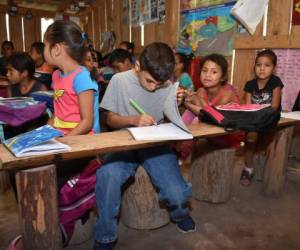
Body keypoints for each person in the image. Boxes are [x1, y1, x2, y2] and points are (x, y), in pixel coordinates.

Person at [94, 42, 195, 250]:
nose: (153, 87)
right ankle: (105, 236)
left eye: (159, 84)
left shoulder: (166, 84)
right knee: (107, 176)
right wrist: (132, 119)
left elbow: (170, 118)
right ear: (138, 65)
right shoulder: (119, 81)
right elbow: (110, 120)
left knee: (177, 193)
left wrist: (179, 103)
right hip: (125, 140)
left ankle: (179, 214)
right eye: (149, 81)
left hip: (156, 143)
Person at [178, 53, 243, 160]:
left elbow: (211, 116)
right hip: (211, 132)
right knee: (190, 113)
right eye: (204, 70)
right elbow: (200, 109)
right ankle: (177, 145)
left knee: (197, 119)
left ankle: (182, 153)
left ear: (223, 77)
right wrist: (190, 101)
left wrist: (192, 101)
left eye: (213, 72)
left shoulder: (227, 94)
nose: (207, 75)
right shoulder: (201, 90)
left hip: (228, 136)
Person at [43, 20, 100, 136]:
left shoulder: (81, 77)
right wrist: (43, 132)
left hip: (83, 140)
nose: (43, 49)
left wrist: (66, 141)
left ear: (56, 49)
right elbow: (59, 113)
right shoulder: (56, 75)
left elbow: (87, 122)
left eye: (45, 45)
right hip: (63, 135)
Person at [240, 49, 283, 186]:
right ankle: (247, 169)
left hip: (269, 116)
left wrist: (260, 114)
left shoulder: (275, 82)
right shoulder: (250, 85)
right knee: (250, 139)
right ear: (255, 67)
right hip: (253, 117)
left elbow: (275, 106)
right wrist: (253, 116)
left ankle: (261, 166)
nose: (262, 69)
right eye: (259, 65)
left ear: (274, 68)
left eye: (267, 65)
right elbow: (247, 106)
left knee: (266, 142)